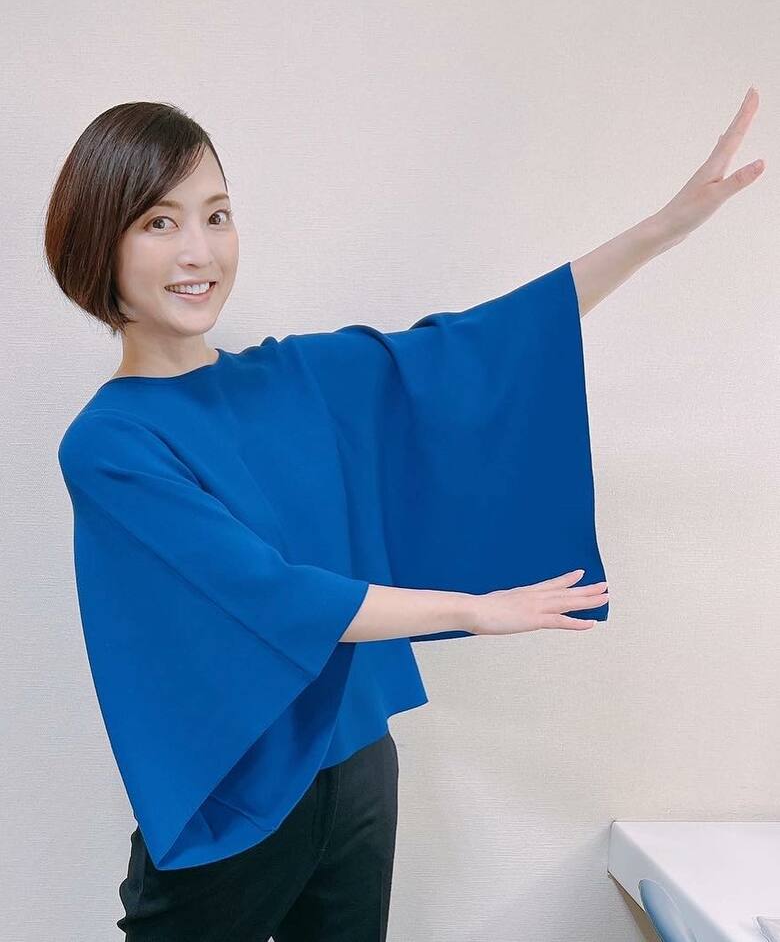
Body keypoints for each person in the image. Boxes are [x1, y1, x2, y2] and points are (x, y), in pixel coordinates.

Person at [48, 90, 761, 941]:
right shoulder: (109, 443)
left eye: (217, 214)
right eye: (160, 222)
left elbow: (478, 345)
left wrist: (663, 230)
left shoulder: (296, 377)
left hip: (356, 768)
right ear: (102, 241)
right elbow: (270, 593)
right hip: (230, 801)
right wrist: (473, 609)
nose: (199, 250)